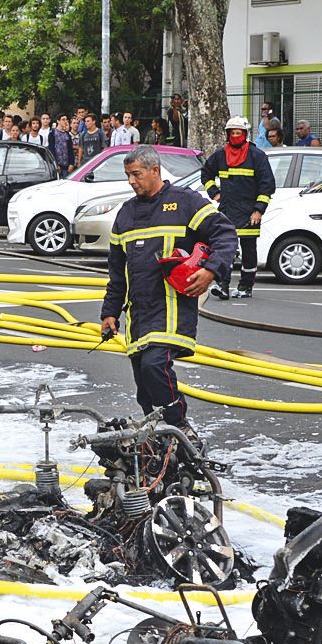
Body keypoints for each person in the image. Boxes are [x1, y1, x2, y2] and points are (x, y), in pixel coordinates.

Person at [100, 145, 238, 430]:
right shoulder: (125, 214)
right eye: (127, 175)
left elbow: (224, 234)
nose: (131, 181)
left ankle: (179, 427)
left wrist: (211, 271)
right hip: (139, 316)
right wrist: (109, 312)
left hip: (171, 310)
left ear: (155, 170)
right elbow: (117, 272)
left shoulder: (185, 202)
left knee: (154, 366)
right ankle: (160, 444)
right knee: (144, 386)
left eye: (136, 174)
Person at [200, 115, 277, 301]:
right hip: (227, 210)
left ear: (245, 134)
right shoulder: (220, 155)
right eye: (232, 133)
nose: (235, 136)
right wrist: (215, 193)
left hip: (250, 213)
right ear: (227, 134)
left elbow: (267, 185)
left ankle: (246, 286)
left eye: (238, 133)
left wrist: (258, 210)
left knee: (248, 250)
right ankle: (223, 286)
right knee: (225, 248)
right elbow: (206, 173)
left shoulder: (256, 156)